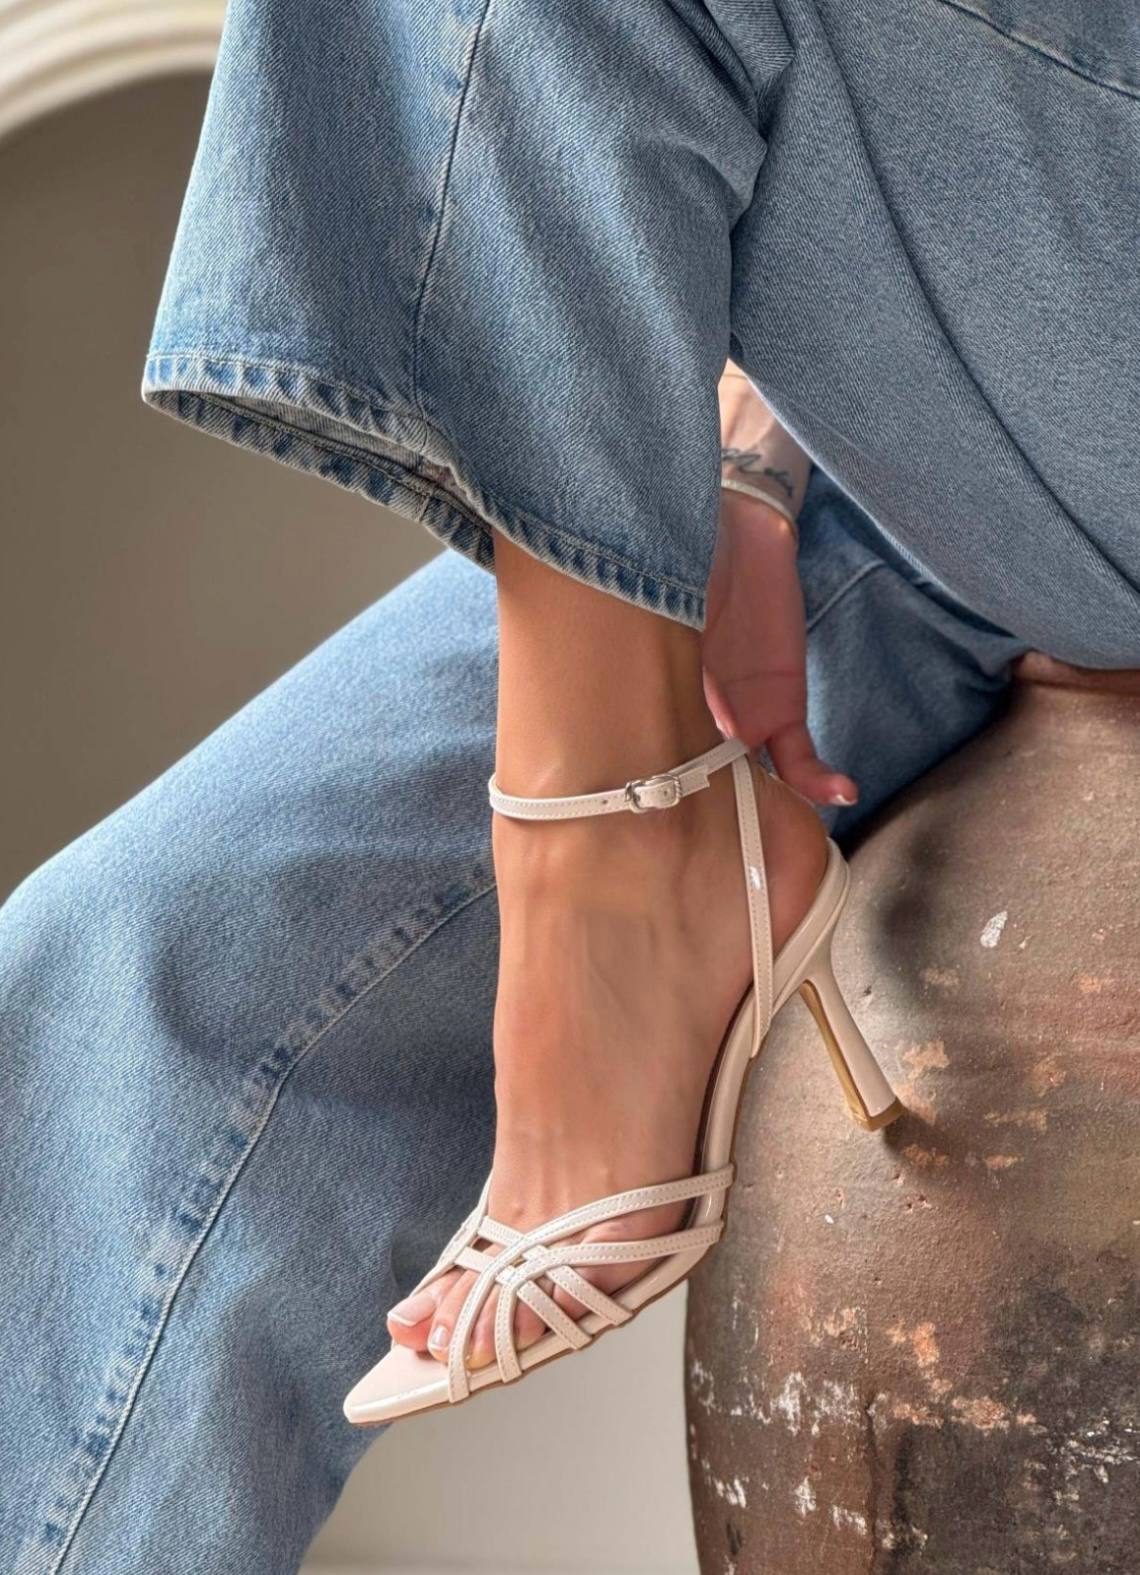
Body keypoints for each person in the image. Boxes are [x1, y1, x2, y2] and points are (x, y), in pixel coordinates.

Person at [3, 0, 1137, 1568]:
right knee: (147, 981)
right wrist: (745, 454)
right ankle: (620, 827)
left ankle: (614, 871)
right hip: (951, 438)